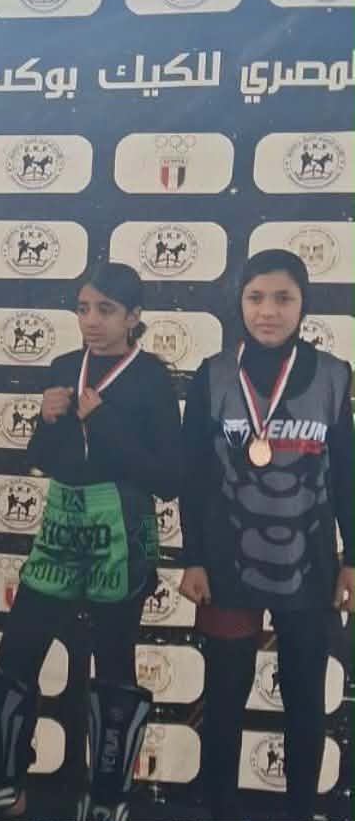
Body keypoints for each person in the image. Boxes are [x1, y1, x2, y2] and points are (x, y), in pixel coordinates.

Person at [0, 264, 182, 821]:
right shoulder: (66, 366)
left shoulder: (151, 378)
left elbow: (168, 478)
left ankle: (108, 799)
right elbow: (44, 460)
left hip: (121, 533)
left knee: (113, 665)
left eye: (106, 310)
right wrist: (45, 421)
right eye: (83, 308)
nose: (91, 321)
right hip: (62, 526)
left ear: (134, 317)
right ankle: (7, 785)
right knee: (16, 653)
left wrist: (103, 423)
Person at [179, 249, 355, 821]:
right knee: (224, 697)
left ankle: (300, 809)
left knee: (304, 699)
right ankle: (220, 811)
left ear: (304, 305)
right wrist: (193, 558)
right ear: (239, 302)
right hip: (226, 564)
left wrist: (352, 558)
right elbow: (194, 476)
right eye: (256, 297)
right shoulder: (213, 374)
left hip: (310, 566)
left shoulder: (334, 376)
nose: (268, 311)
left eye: (283, 298)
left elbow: (346, 474)